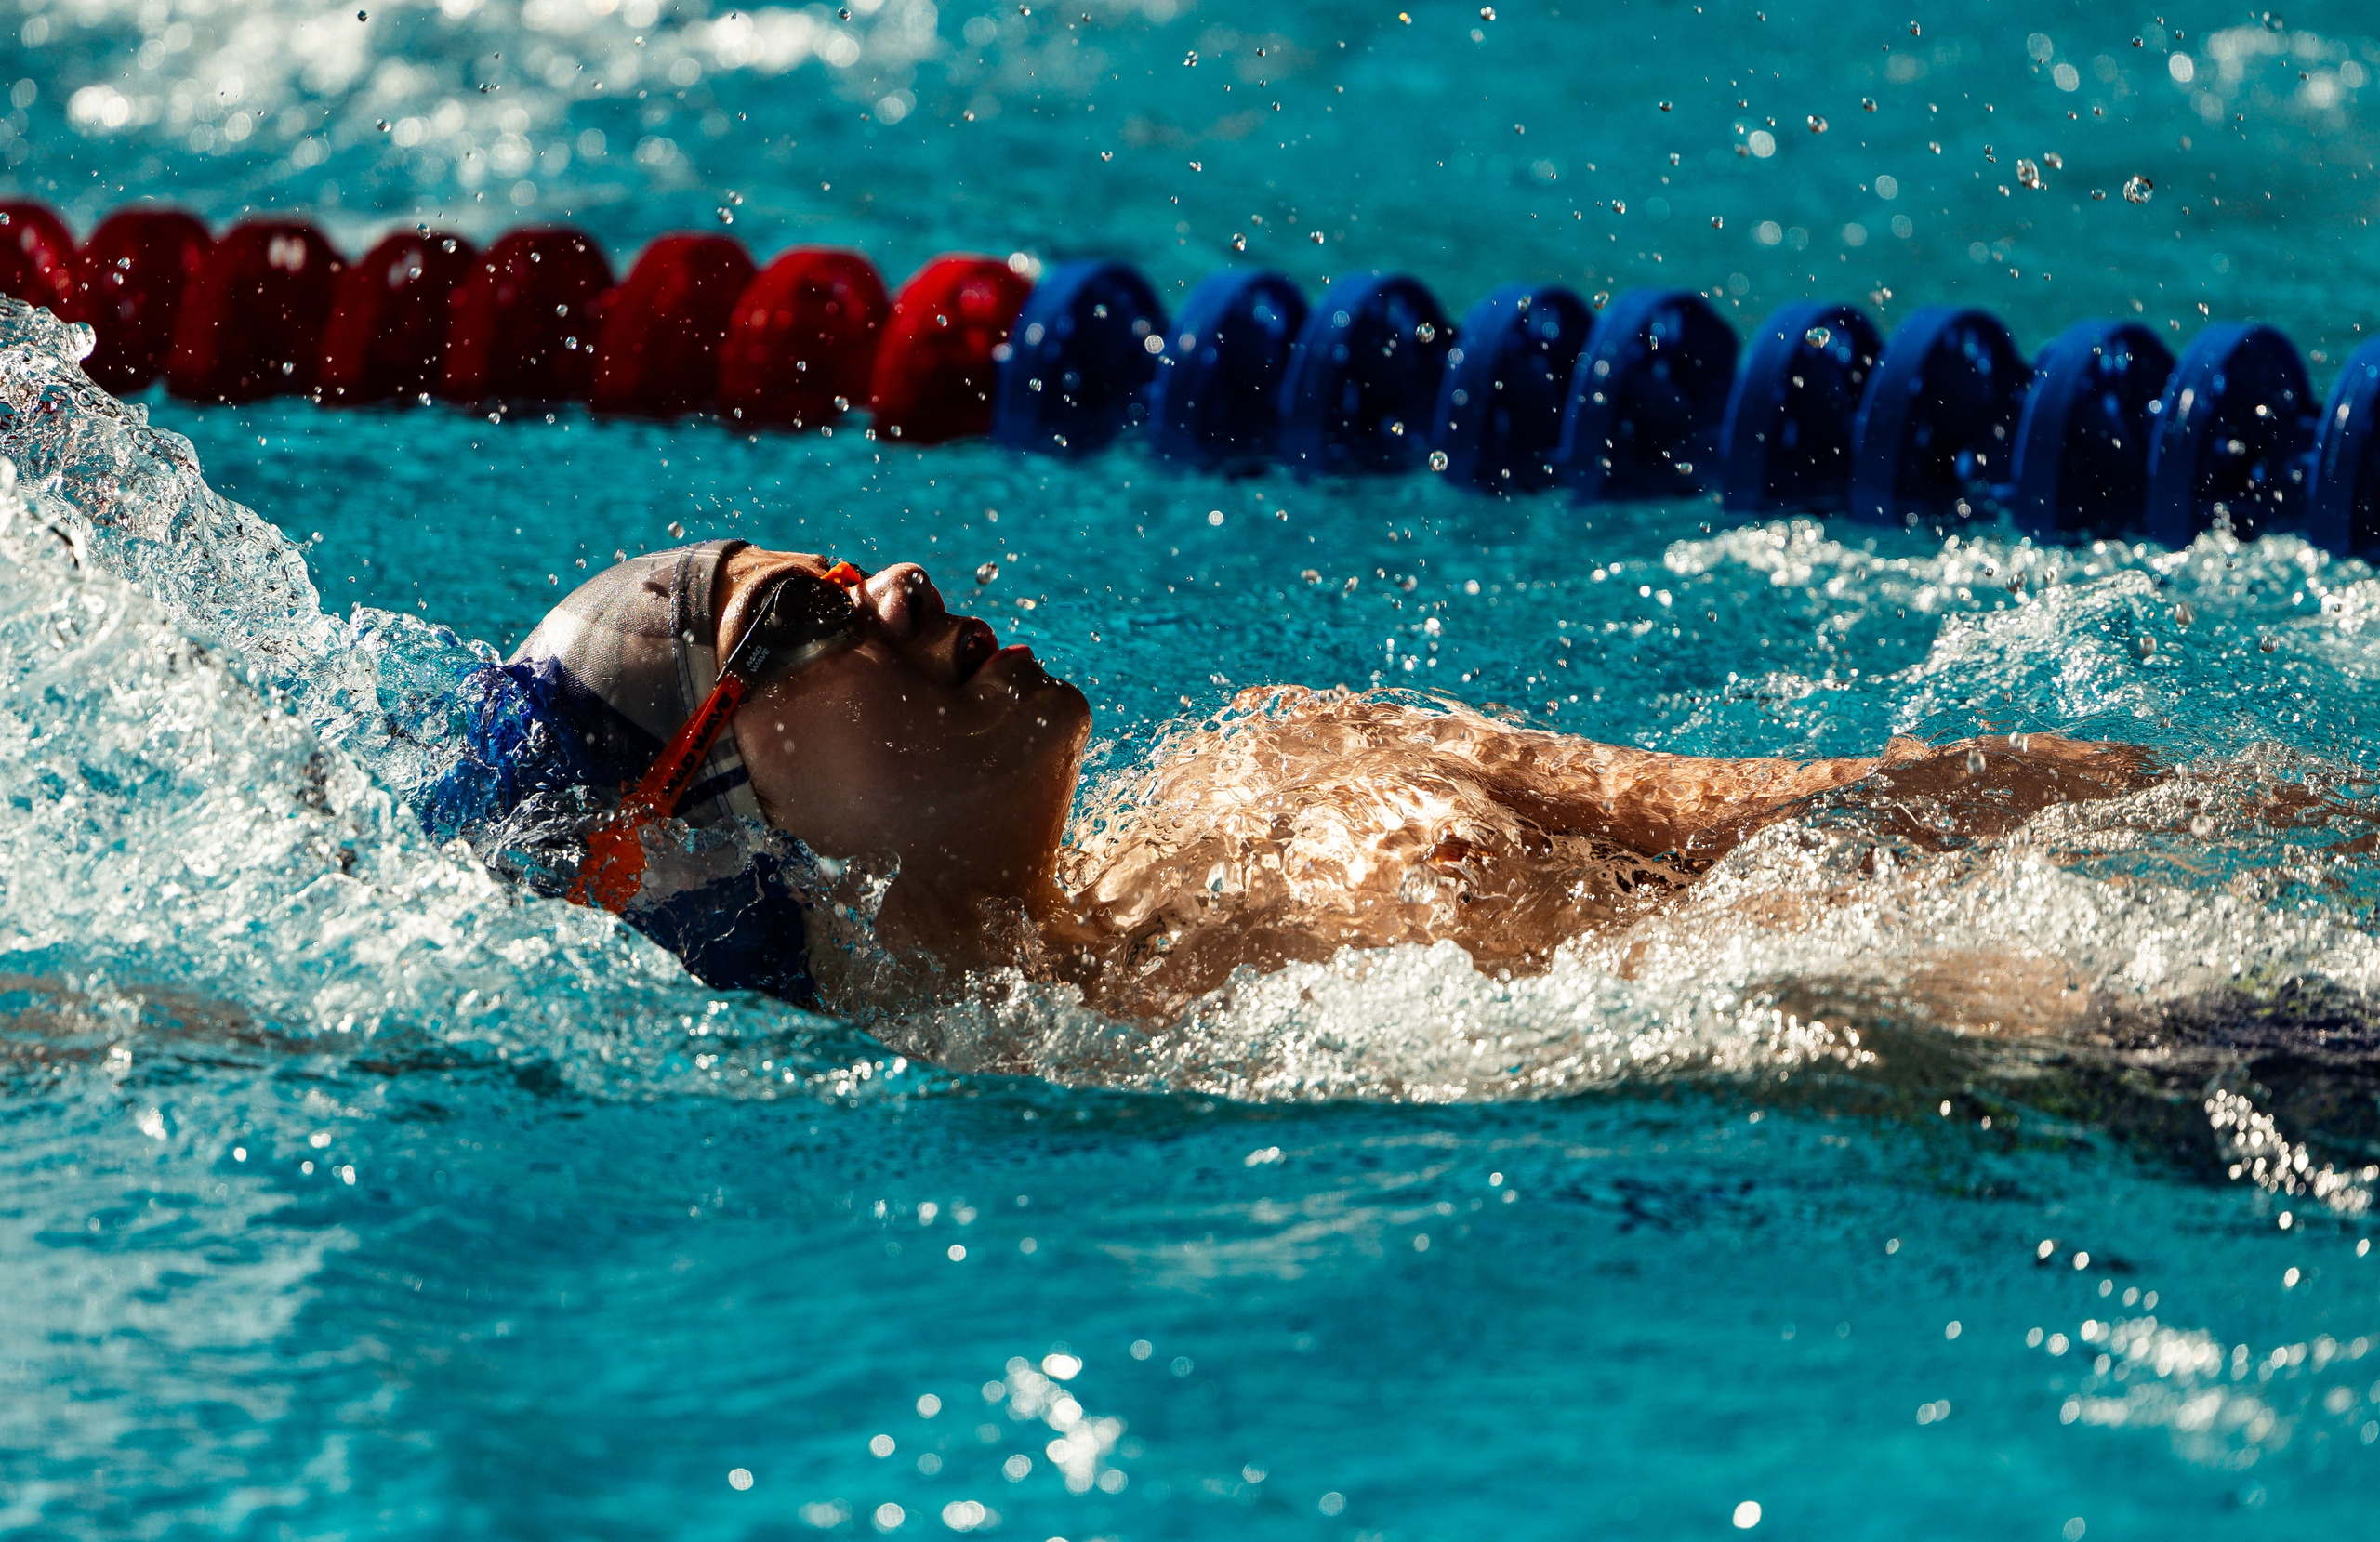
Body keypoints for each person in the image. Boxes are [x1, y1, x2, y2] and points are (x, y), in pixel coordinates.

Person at [434, 542, 2160, 1024]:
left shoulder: (1307, 755)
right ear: (721, 828)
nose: (896, 586)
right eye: (793, 617)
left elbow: (1849, 805)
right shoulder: (1105, 1110)